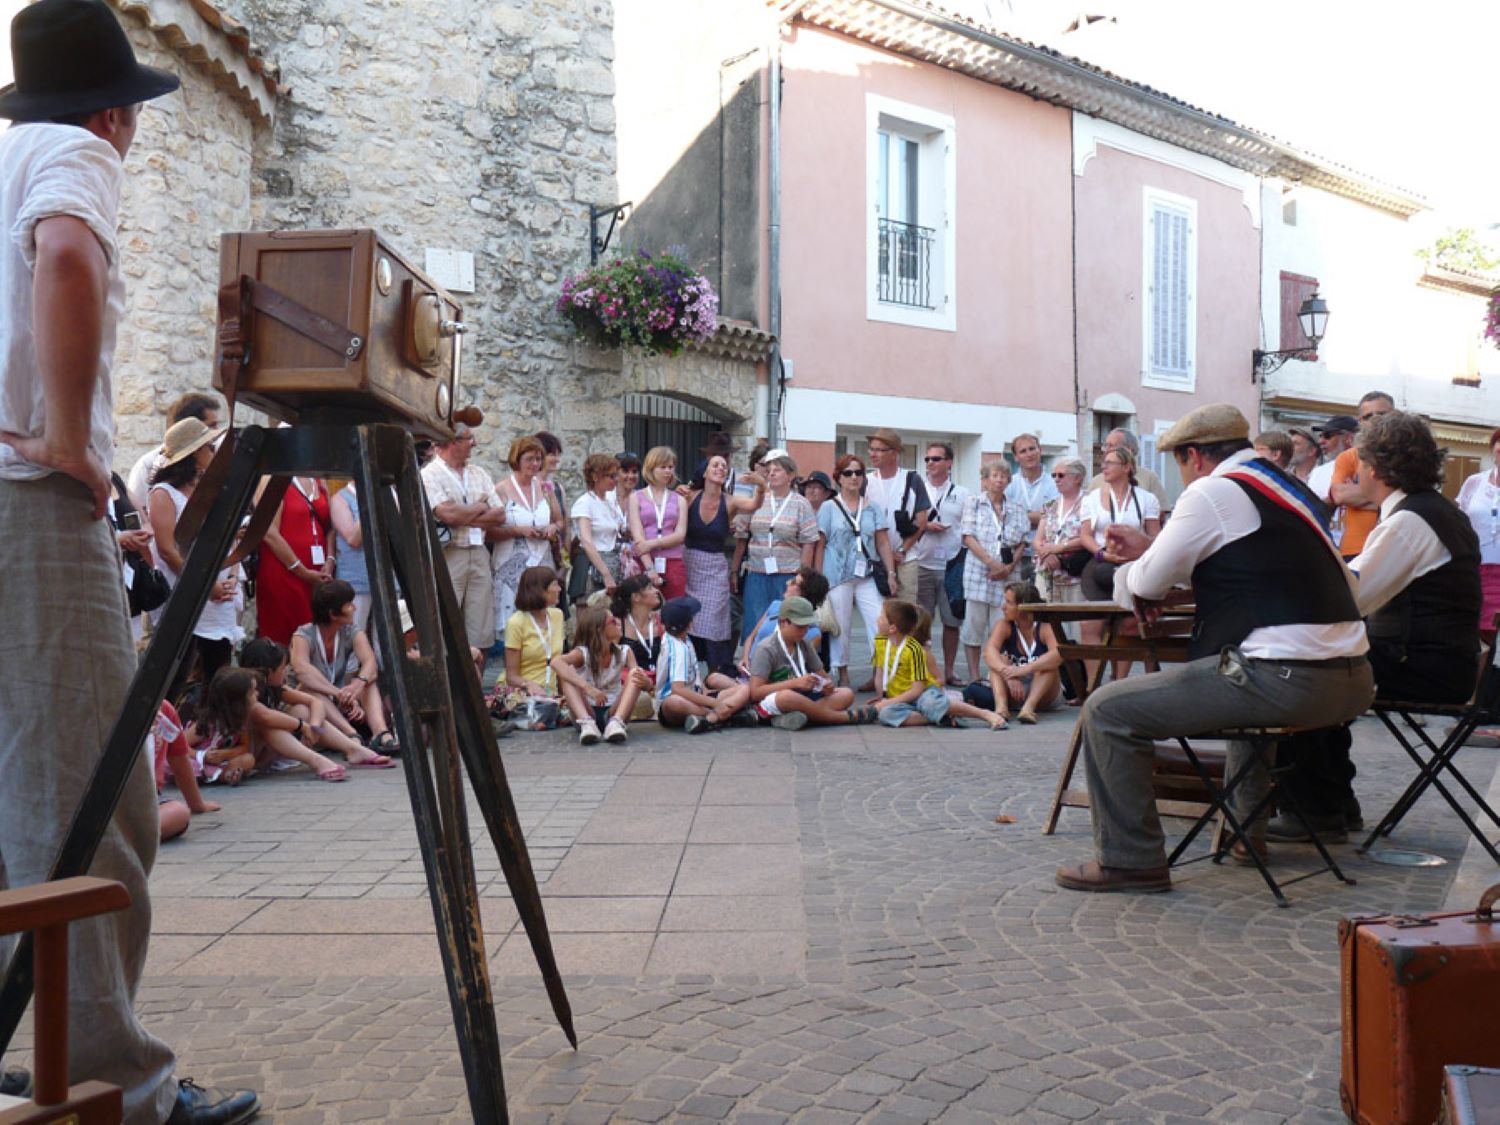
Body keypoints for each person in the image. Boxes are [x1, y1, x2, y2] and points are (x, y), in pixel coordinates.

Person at [0, 5, 255, 1112]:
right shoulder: (73, 151)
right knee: (91, 798)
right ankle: (116, 1086)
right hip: (24, 502)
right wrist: (67, 438)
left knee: (21, 790)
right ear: (113, 109)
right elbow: (65, 256)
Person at [1053, 403, 1374, 894]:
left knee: (1106, 709)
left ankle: (1131, 860)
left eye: (1181, 466)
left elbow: (1147, 581)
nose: (1184, 478)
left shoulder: (1213, 491)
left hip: (1290, 681)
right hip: (1351, 680)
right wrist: (1155, 556)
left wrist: (1128, 576)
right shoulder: (1284, 489)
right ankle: (1249, 837)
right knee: (1245, 675)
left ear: (1195, 457)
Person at [1273, 412, 1483, 842]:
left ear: (1372, 468)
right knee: (1326, 661)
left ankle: (1315, 809)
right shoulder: (1434, 512)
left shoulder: (1411, 522)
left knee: (1303, 670)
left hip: (1428, 667)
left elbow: (1351, 598)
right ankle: (1334, 803)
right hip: (1442, 660)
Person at [148, 417, 241, 701]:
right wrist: (204, 585)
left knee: (219, 671)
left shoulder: (207, 489)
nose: (213, 452)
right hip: (187, 591)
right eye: (208, 447)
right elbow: (167, 549)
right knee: (176, 672)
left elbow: (227, 537)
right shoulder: (164, 494)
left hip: (217, 592)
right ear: (193, 454)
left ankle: (213, 733)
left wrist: (231, 573)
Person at [240, 637, 393, 769]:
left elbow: (315, 702)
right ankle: (318, 761)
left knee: (302, 709)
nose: (286, 672)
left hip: (269, 750)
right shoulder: (247, 694)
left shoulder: (276, 688)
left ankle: (352, 748)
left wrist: (314, 726)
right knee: (270, 725)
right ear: (268, 672)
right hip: (250, 753)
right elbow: (265, 716)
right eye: (282, 668)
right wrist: (302, 726)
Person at [1078, 447, 1162, 683]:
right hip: (1101, 569)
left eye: (1110, 463)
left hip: (1133, 569)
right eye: (1103, 462)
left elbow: (1155, 538)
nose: (1104, 467)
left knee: (1128, 626)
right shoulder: (1092, 499)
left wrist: (1138, 551)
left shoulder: (1146, 499)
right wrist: (1102, 554)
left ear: (1126, 467)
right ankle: (1093, 685)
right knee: (1089, 625)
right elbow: (1085, 535)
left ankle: (1118, 682)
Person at [289, 579, 399, 755]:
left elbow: (370, 663)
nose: (354, 608)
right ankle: (351, 734)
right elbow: (302, 671)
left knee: (367, 681)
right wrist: (338, 693)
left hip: (339, 699)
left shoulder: (352, 632)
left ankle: (380, 732)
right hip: (314, 701)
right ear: (333, 614)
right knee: (310, 688)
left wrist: (357, 686)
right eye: (349, 605)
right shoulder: (303, 635)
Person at [421, 421, 505, 650]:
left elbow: (499, 515)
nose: (474, 443)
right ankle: (449, 684)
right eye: (469, 438)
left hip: (478, 553)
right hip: (449, 554)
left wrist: (464, 515)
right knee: (445, 619)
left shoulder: (479, 472)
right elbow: (446, 514)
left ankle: (475, 684)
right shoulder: (430, 474)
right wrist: (480, 506)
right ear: (451, 441)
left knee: (481, 626)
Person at [816, 452, 896, 686]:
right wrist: (819, 579)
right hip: (837, 575)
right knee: (841, 627)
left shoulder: (873, 508)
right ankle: (842, 674)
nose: (854, 477)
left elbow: (882, 542)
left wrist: (891, 573)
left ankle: (879, 672)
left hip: (867, 574)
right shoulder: (829, 507)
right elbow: (820, 544)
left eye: (858, 473)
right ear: (838, 478)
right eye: (848, 473)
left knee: (878, 622)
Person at [683, 452, 762, 675]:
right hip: (689, 563)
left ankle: (716, 671)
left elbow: (754, 504)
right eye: (715, 465)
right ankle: (690, 670)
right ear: (705, 471)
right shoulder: (689, 497)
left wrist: (761, 486)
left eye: (724, 466)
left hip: (715, 566)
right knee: (691, 618)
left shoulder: (730, 501)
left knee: (715, 619)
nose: (721, 468)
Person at [872, 600, 1006, 729]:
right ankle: (936, 716)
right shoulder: (880, 642)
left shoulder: (914, 649)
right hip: (901, 698)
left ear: (892, 628)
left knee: (930, 703)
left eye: (881, 617)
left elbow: (917, 690)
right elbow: (880, 673)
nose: (877, 619)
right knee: (885, 714)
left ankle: (984, 714)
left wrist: (889, 702)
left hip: (923, 694)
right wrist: (882, 697)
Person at [740, 449, 820, 659]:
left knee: (786, 621)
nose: (771, 474)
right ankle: (752, 664)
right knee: (755, 620)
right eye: (769, 470)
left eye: (778, 470)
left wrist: (800, 578)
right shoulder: (758, 498)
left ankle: (785, 664)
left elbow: (809, 543)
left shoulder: (801, 504)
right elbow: (742, 531)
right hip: (757, 571)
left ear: (791, 475)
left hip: (788, 574)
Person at [748, 597, 868, 729]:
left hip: (804, 698)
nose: (805, 631)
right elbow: (756, 692)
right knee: (787, 697)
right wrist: (794, 683)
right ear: (783, 622)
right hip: (777, 700)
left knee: (846, 694)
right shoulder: (766, 648)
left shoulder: (804, 643)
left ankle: (803, 717)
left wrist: (826, 685)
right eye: (800, 627)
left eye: (807, 626)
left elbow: (824, 676)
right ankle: (841, 718)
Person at [959, 460, 1030, 683]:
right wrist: (992, 563)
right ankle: (973, 675)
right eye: (994, 475)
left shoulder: (1017, 507)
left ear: (1009, 480)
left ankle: (998, 674)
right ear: (985, 479)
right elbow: (968, 536)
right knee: (974, 626)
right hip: (979, 573)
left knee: (1003, 626)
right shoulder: (974, 502)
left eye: (1003, 476)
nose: (999, 480)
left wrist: (1008, 567)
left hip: (1008, 576)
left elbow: (1022, 542)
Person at [491, 434, 563, 639]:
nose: (535, 464)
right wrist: (517, 530)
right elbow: (488, 532)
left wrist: (552, 527)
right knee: (514, 626)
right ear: (517, 459)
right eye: (529, 459)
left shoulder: (545, 488)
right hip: (511, 564)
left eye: (538, 459)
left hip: (541, 560)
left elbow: (560, 521)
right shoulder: (501, 489)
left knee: (541, 621)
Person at [910, 441, 970, 685]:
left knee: (951, 622)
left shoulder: (963, 493)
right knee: (921, 623)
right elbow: (909, 524)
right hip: (922, 562)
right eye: (927, 459)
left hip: (951, 565)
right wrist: (924, 527)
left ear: (948, 462)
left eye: (935, 459)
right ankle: (925, 668)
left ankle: (950, 670)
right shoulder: (917, 490)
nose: (930, 463)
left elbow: (968, 528)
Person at [962, 581, 1064, 723]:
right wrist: (1008, 674)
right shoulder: (1004, 625)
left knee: (1047, 665)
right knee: (998, 661)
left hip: (1044, 692)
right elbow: (989, 652)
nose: (1003, 607)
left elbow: (1058, 654)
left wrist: (1025, 669)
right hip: (1015, 689)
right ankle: (1001, 708)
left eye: (1009, 603)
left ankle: (1028, 708)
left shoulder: (1045, 626)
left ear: (1023, 606)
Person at [552, 604, 648, 744]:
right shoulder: (582, 653)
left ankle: (616, 723)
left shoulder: (625, 651)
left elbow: (642, 681)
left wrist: (645, 682)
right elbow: (555, 662)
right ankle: (587, 724)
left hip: (614, 710)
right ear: (599, 630)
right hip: (586, 709)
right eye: (613, 622)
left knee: (635, 673)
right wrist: (587, 687)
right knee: (566, 674)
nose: (618, 624)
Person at [656, 595, 754, 733]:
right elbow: (678, 689)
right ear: (689, 624)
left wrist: (706, 693)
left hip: (698, 697)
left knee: (744, 689)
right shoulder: (677, 649)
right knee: (674, 703)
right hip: (677, 702)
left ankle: (711, 719)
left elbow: (693, 671)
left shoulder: (683, 639)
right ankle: (724, 716)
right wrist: (715, 703)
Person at [1329, 391, 1396, 561]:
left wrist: (1358, 493)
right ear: (1360, 422)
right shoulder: (1348, 457)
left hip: (1395, 545)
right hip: (1355, 548)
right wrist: (1389, 494)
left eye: (1381, 414)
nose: (1375, 419)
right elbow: (1338, 494)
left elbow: (1408, 498)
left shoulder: (1406, 455)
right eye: (1368, 416)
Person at [125, 390, 219, 510]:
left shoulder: (210, 459)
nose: (215, 431)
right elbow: (140, 512)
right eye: (211, 425)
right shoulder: (146, 466)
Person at [864, 428, 929, 596]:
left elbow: (921, 522)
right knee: (881, 614)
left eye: (878, 450)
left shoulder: (912, 479)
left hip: (906, 559)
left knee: (907, 613)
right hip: (876, 560)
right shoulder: (866, 482)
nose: (873, 454)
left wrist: (902, 550)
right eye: (871, 449)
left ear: (894, 453)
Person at [500, 565, 567, 715]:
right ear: (540, 590)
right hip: (523, 694)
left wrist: (566, 696)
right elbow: (511, 676)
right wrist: (529, 685)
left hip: (551, 695)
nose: (559, 589)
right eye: (555, 585)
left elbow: (559, 662)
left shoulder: (557, 615)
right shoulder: (516, 622)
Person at [1455, 426, 1500, 642]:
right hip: (1475, 572)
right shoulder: (1474, 482)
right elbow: (1459, 524)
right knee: (1474, 641)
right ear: (1493, 447)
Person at [630, 445, 689, 599]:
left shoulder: (680, 500)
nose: (668, 471)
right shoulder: (636, 497)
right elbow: (638, 536)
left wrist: (651, 544)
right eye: (663, 467)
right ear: (651, 468)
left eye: (670, 467)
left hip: (673, 561)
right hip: (644, 560)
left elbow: (680, 535)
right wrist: (650, 568)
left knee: (673, 610)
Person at [570, 452, 628, 603]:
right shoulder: (585, 503)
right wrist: (606, 574)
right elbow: (587, 542)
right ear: (596, 477)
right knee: (590, 617)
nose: (616, 480)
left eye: (616, 475)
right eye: (611, 476)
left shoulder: (609, 499)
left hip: (611, 562)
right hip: (591, 567)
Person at [1033, 457, 1089, 605]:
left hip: (1074, 573)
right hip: (1047, 571)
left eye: (1061, 475)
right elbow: (1038, 540)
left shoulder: (1090, 503)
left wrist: (1058, 548)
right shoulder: (1050, 505)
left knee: (1075, 624)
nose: (1056, 479)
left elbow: (1089, 536)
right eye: (1054, 475)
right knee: (1046, 624)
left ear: (1077, 478)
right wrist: (1047, 555)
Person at [741, 566, 828, 659]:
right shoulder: (775, 606)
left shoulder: (813, 632)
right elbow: (751, 638)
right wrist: (744, 659)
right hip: (749, 668)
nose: (787, 583)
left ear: (804, 593)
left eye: (794, 583)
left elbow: (798, 663)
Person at [1005, 432, 1057, 578]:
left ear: (1040, 450)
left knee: (1040, 599)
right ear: (1016, 457)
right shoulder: (1009, 483)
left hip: (1044, 554)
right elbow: (1003, 517)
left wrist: (1019, 516)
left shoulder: (1054, 483)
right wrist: (1038, 517)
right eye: (1023, 451)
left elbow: (1054, 519)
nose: (1029, 454)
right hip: (1015, 555)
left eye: (1032, 449)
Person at [1308, 413, 1358, 543]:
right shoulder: (1317, 472)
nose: (1321, 441)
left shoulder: (1367, 468)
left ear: (1348, 438)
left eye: (1327, 435)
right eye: (1320, 436)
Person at [1089, 428, 1168, 507]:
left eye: (1111, 446)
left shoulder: (1150, 478)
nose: (1106, 450)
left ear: (1128, 449)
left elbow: (1161, 512)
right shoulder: (1096, 482)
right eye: (1106, 445)